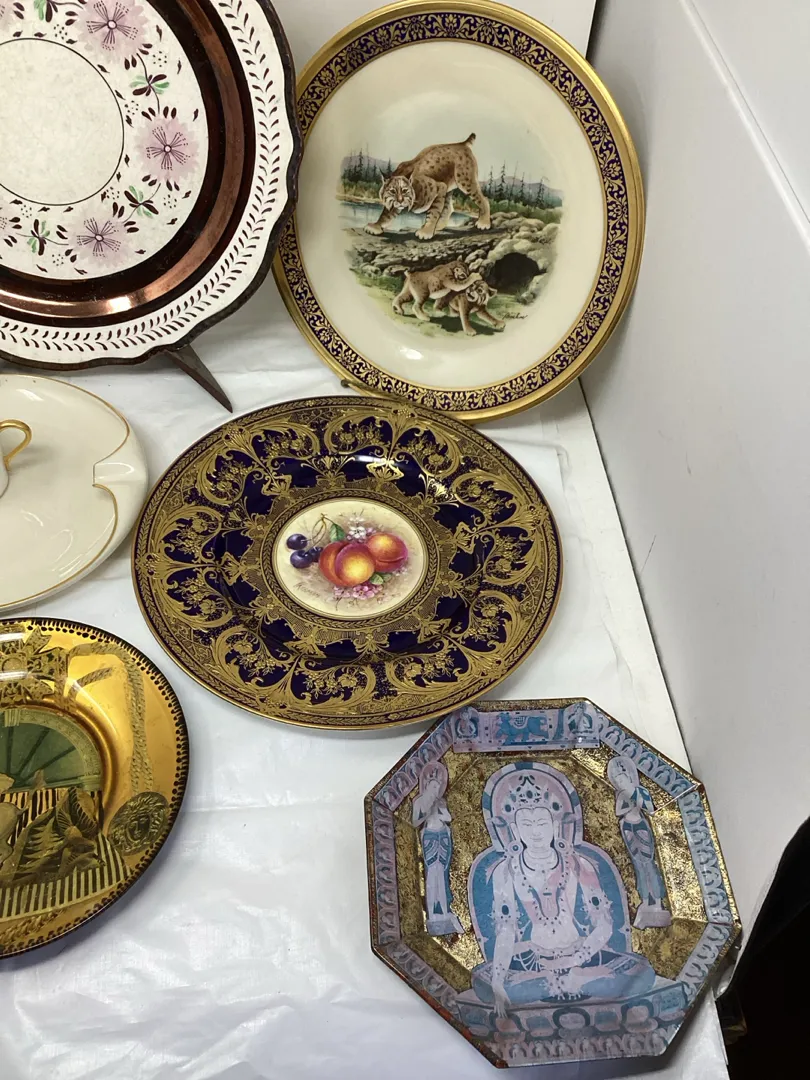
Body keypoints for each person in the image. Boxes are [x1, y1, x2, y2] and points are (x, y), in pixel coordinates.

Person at [470, 765, 656, 1010]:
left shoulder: (579, 865)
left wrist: (575, 959)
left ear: (556, 825)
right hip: (535, 962)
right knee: (483, 981)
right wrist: (497, 981)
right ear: (514, 830)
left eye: (542, 823)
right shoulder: (505, 872)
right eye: (526, 824)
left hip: (581, 955)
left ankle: (574, 980)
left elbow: (604, 924)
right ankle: (571, 983)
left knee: (641, 972)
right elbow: (506, 931)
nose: (535, 832)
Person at [607, 755, 672, 929]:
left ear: (630, 776)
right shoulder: (622, 795)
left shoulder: (640, 792)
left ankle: (656, 901)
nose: (620, 783)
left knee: (648, 863)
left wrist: (635, 796)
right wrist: (629, 800)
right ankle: (645, 900)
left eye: (622, 779)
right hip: (627, 827)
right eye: (617, 780)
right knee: (638, 866)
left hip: (640, 826)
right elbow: (619, 811)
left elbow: (649, 808)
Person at [412, 762, 462, 936]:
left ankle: (444, 910)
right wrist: (427, 806)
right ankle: (434, 913)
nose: (436, 789)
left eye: (438, 787)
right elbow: (415, 821)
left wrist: (439, 809)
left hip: (442, 837)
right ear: (426, 786)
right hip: (430, 838)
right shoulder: (420, 802)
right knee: (432, 873)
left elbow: (448, 817)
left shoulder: (440, 802)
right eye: (433, 786)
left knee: (441, 873)